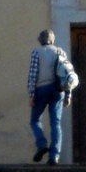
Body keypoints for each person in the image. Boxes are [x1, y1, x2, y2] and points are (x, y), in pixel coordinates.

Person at [27, 29, 71, 164]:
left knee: (35, 120)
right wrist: (68, 94)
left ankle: (41, 144)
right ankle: (54, 156)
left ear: (41, 40)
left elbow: (33, 74)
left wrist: (31, 94)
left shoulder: (36, 52)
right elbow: (67, 73)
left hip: (41, 89)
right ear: (52, 39)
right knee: (56, 123)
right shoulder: (60, 52)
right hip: (58, 91)